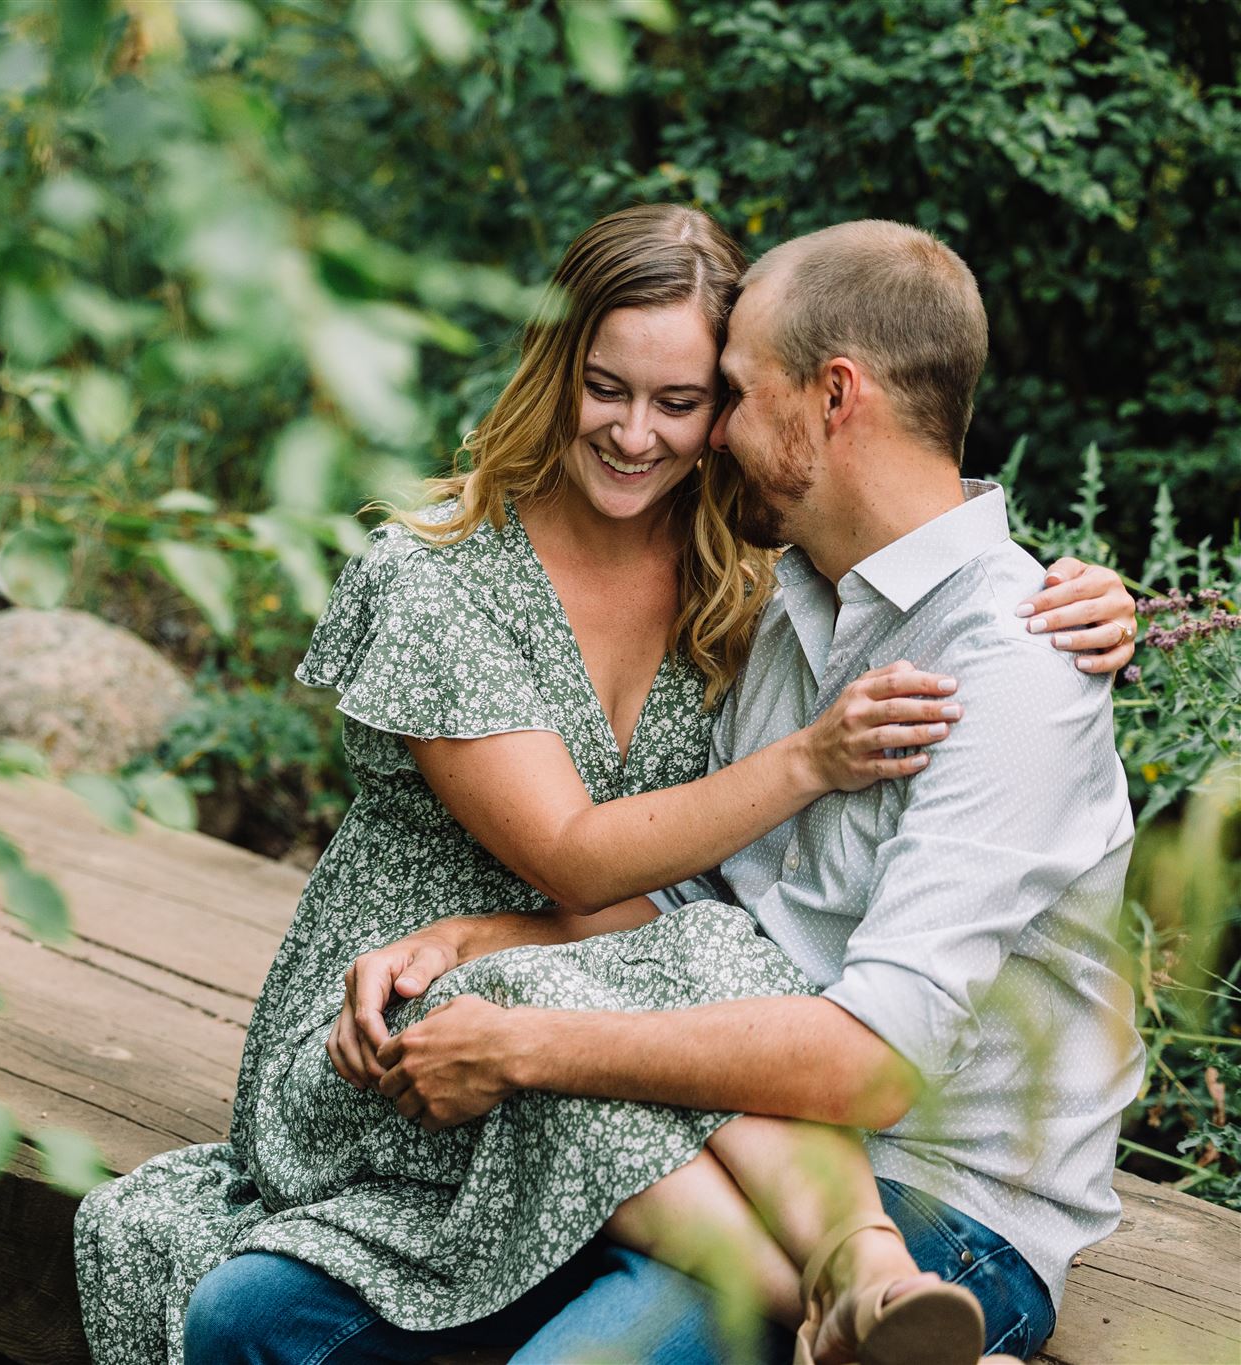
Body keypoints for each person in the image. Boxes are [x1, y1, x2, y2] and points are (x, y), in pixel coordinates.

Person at [70, 207, 1138, 1365]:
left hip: (930, 1188)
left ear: (830, 397)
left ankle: (871, 1301)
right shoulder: (784, 605)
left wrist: (531, 1041)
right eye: (627, 391)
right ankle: (827, 1298)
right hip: (684, 1104)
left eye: (713, 395)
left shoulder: (1010, 659)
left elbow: (867, 1060)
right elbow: (693, 915)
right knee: (248, 1322)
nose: (703, 435)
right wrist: (474, 942)